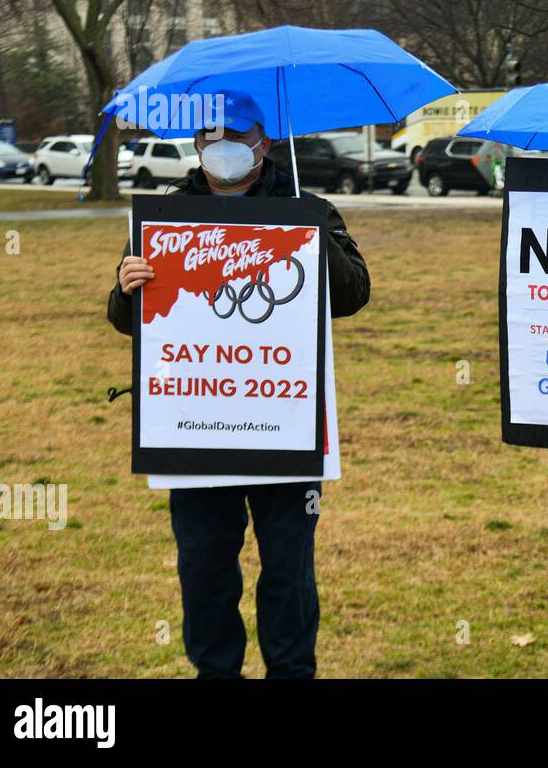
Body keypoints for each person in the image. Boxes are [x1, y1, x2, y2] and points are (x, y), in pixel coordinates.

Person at [107, 93, 370, 678]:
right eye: (210, 136)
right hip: (194, 429)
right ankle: (216, 671)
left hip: (284, 428)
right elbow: (127, 321)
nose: (222, 147)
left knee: (288, 569)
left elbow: (353, 296)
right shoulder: (168, 215)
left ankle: (291, 670)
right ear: (197, 145)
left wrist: (308, 232)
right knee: (203, 567)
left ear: (265, 143)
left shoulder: (311, 205)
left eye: (237, 135)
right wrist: (126, 287)